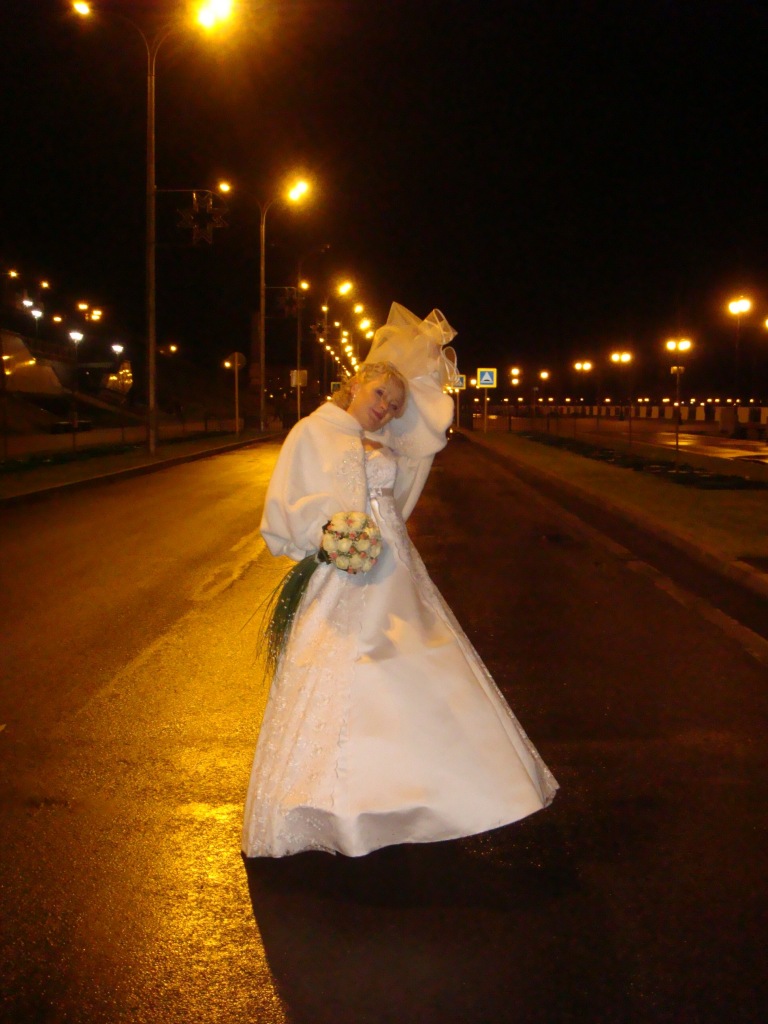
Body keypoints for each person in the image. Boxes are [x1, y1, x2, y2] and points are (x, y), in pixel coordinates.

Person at [242, 303, 558, 859]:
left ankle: (431, 790)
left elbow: (420, 452)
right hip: (342, 572)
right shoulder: (312, 431)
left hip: (395, 565)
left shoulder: (386, 442)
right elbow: (288, 503)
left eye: (393, 405)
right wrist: (328, 536)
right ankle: (335, 806)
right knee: (349, 670)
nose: (385, 408)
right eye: (380, 395)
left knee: (417, 662)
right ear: (355, 383)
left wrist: (428, 380)